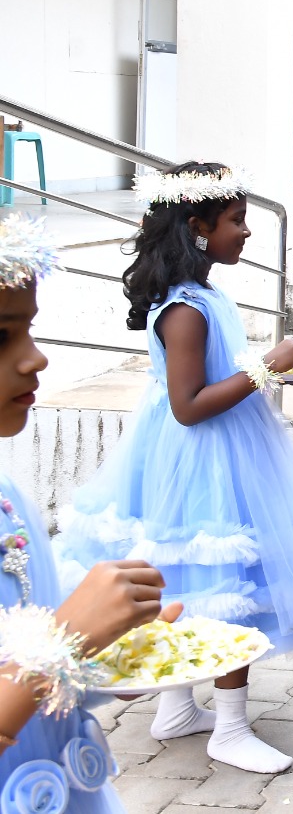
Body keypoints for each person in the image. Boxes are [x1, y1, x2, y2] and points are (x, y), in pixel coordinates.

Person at [58, 163, 293, 774]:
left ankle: (176, 709)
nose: (246, 231)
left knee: (189, 578)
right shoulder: (185, 310)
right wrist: (267, 367)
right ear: (198, 227)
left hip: (215, 446)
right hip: (202, 456)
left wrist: (258, 370)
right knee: (223, 583)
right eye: (236, 221)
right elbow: (189, 407)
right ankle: (230, 728)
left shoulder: (205, 295)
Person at [0, 215, 180, 812]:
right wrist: (65, 641)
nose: (36, 359)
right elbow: (42, 656)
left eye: (28, 330)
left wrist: (109, 652)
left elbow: (36, 667)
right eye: (1, 336)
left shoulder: (9, 498)